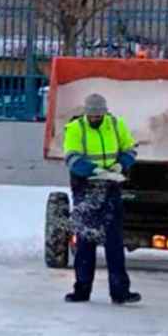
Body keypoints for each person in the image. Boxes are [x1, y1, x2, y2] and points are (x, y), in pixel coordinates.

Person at [63, 93, 142, 305]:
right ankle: (81, 290)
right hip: (85, 185)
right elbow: (72, 159)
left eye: (99, 115)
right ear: (86, 113)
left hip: (111, 186)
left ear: (105, 113)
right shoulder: (75, 128)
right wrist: (95, 170)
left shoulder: (116, 124)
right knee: (86, 240)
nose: (96, 119)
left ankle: (120, 292)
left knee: (114, 239)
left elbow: (130, 149)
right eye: (92, 116)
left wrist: (121, 164)